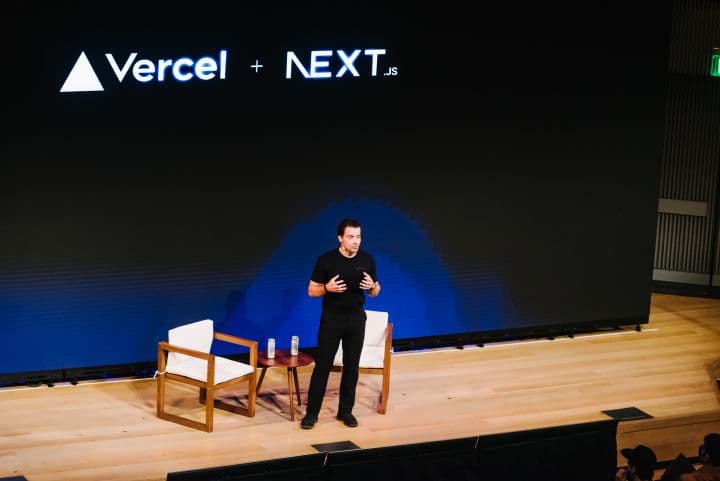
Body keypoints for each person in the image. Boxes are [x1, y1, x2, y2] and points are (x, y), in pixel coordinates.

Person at [300, 218, 381, 429]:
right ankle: (311, 414)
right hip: (332, 320)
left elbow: (375, 291)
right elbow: (311, 291)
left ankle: (346, 412)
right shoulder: (326, 260)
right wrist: (327, 288)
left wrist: (372, 286)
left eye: (358, 237)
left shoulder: (367, 260)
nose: (356, 241)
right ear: (340, 238)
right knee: (323, 367)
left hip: (356, 320)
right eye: (351, 237)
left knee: (351, 368)